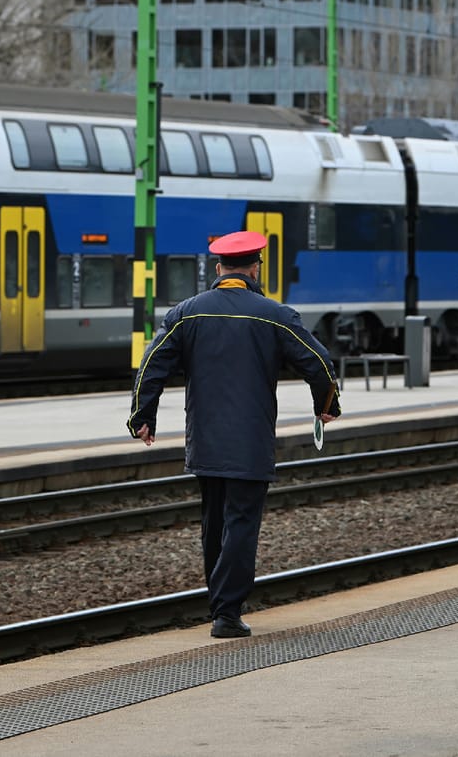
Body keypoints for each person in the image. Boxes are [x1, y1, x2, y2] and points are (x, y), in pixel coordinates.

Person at [126, 230, 341, 638]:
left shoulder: (186, 313)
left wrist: (142, 415)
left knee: (214, 522)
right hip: (251, 440)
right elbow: (319, 362)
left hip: (205, 438)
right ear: (255, 268)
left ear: (219, 268)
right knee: (241, 521)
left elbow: (152, 364)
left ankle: (219, 603)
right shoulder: (275, 314)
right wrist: (326, 405)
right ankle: (227, 612)